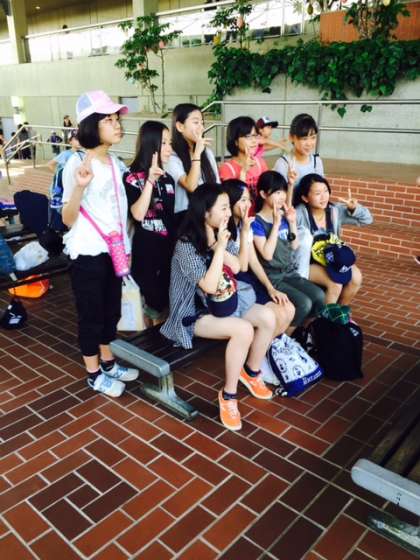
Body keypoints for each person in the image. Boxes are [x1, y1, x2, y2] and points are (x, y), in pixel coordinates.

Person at [161, 183, 276, 431]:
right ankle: (228, 396)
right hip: (191, 313)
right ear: (205, 212)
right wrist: (219, 248)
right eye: (223, 207)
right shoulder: (185, 245)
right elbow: (210, 286)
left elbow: (239, 266)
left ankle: (251, 373)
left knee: (268, 316)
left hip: (222, 303)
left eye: (227, 207)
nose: (228, 212)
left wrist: (243, 234)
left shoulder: (219, 233)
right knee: (244, 330)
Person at [62, 90, 138, 398]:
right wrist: (80, 187)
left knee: (110, 311)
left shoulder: (115, 163)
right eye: (108, 120)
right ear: (91, 125)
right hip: (88, 252)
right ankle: (94, 374)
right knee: (91, 314)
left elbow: (119, 212)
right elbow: (68, 218)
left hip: (114, 250)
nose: (117, 124)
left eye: (116, 118)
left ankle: (108, 362)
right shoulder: (77, 163)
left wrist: (126, 249)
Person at [252, 170, 325, 328]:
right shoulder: (256, 223)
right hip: (272, 277)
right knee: (304, 303)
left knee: (319, 296)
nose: (282, 196)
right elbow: (267, 255)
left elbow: (294, 245)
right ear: (263, 194)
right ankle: (284, 337)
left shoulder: (283, 216)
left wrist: (291, 222)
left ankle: (302, 331)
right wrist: (276, 225)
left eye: (283, 192)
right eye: (277, 192)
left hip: (288, 272)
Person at [223, 178, 295, 334]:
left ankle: (273, 345)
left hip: (247, 278)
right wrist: (244, 233)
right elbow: (241, 267)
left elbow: (254, 262)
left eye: (249, 200)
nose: (248, 204)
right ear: (229, 202)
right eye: (242, 200)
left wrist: (270, 288)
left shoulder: (245, 225)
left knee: (288, 309)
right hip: (231, 281)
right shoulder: (224, 229)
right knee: (276, 314)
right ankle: (269, 346)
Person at [124, 121, 175, 324]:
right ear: (151, 144)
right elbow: (137, 214)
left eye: (170, 143)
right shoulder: (130, 177)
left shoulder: (168, 179)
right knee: (149, 305)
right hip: (145, 253)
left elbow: (169, 218)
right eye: (164, 143)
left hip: (167, 251)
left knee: (163, 306)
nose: (170, 149)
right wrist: (150, 181)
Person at [293, 173, 372, 305]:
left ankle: (340, 311)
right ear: (305, 198)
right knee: (335, 283)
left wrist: (354, 209)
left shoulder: (334, 210)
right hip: (307, 262)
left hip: (330, 259)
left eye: (326, 191)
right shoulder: (299, 214)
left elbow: (367, 220)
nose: (323, 196)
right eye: (317, 193)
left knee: (356, 278)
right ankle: (325, 317)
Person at [165, 103, 219, 229]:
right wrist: (197, 154)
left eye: (202, 123)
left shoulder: (207, 153)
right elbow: (192, 186)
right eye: (196, 122)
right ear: (180, 126)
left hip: (209, 216)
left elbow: (216, 186)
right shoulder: (171, 156)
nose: (201, 127)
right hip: (184, 219)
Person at [219, 116, 268, 212]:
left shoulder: (260, 162)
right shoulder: (227, 168)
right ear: (236, 141)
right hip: (241, 217)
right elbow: (233, 200)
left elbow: (268, 190)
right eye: (247, 137)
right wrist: (243, 172)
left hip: (259, 216)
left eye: (255, 135)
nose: (254, 141)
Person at [273, 113, 324, 198]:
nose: (309, 143)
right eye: (304, 139)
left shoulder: (317, 162)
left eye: (313, 137)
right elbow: (278, 198)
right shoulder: (283, 164)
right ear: (291, 137)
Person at [48, 130, 82, 230]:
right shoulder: (66, 154)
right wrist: (61, 175)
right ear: (70, 141)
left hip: (75, 186)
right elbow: (50, 164)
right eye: (76, 139)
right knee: (62, 208)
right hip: (62, 188)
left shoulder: (83, 154)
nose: (79, 141)